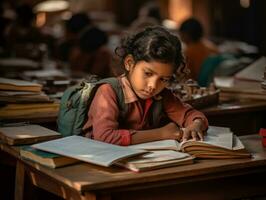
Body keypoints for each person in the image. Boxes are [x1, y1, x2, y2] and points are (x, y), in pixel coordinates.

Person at [82, 26, 208, 146]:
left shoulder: (162, 95)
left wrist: (196, 124)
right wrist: (161, 134)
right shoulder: (108, 91)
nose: (153, 86)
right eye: (148, 73)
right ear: (129, 63)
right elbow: (105, 137)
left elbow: (190, 115)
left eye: (164, 79)